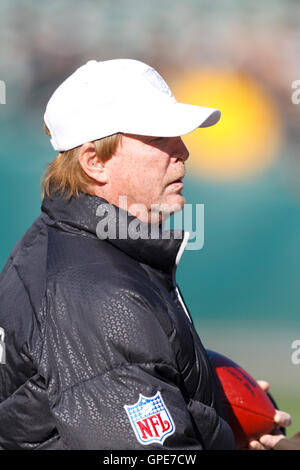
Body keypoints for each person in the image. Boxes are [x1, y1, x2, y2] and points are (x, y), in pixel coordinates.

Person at [0, 59, 289, 450]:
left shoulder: (63, 245)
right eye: (158, 138)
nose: (183, 150)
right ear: (94, 161)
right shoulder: (101, 296)